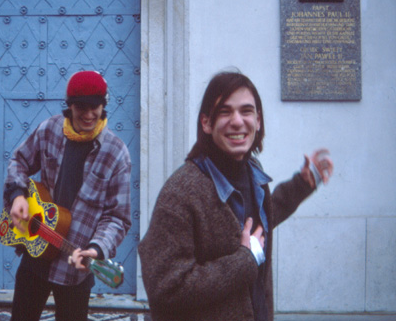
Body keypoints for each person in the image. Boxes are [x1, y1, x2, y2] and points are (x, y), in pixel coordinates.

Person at [138, 71, 334, 321]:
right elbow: (166, 287)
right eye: (225, 112)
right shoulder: (180, 193)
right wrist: (242, 262)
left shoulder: (254, 172)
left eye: (246, 111)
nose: (238, 121)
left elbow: (258, 225)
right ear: (206, 123)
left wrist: (301, 185)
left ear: (258, 120)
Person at [3, 70, 132, 321]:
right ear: (69, 105)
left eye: (95, 107)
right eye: (80, 107)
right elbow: (18, 161)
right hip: (36, 251)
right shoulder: (49, 130)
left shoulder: (117, 153)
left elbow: (117, 217)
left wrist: (96, 249)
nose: (88, 114)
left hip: (75, 268)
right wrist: (18, 195)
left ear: (104, 106)